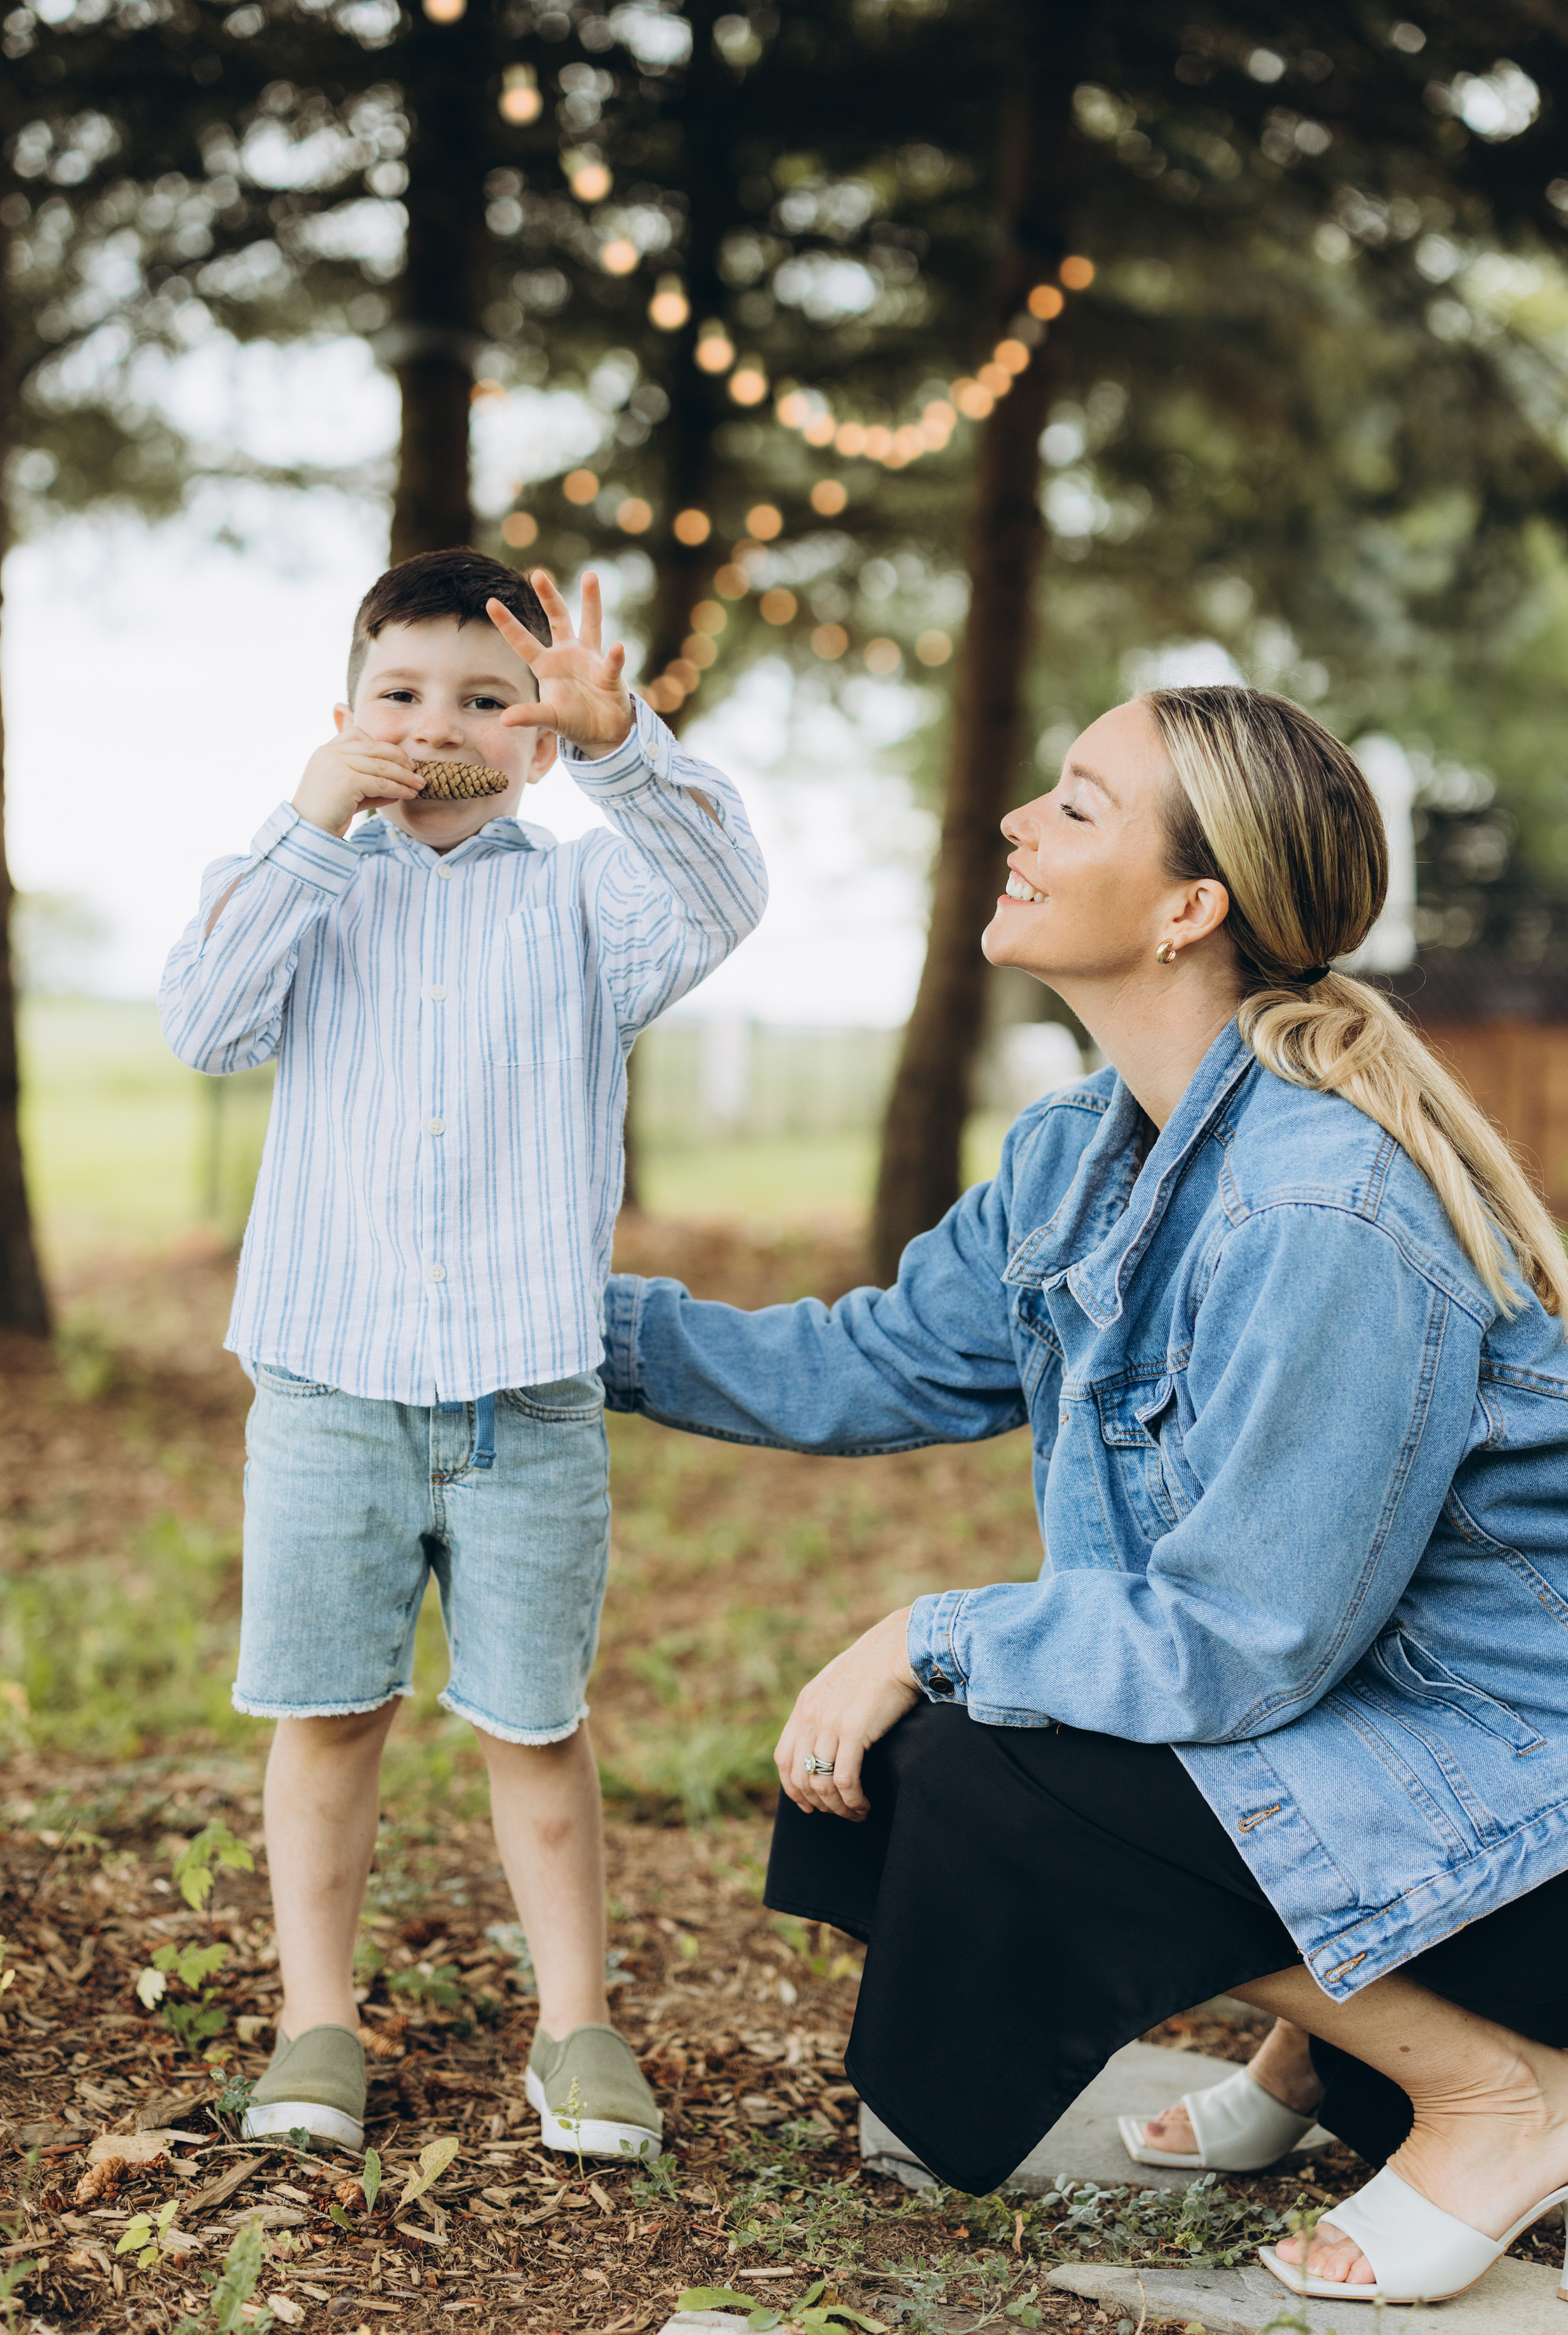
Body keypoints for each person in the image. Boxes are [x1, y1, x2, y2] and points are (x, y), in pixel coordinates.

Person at [600, 684, 1568, 2309]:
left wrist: (926, 1628)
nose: (1015, 825)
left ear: (1189, 908)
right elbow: (874, 1363)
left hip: (1524, 1821)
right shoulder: (1080, 1150)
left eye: (1074, 805)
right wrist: (564, 1328)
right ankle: (1318, 2059)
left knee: (975, 1765)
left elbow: (1248, 1640)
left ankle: (1495, 2094)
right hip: (1402, 1754)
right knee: (964, 1743)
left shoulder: (1319, 1205)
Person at [160, 549, 766, 2161]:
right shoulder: (295, 881)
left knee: (531, 1721)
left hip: (525, 1396)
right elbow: (207, 1026)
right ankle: (315, 2021)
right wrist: (306, 825)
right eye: (401, 696)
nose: (440, 727)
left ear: (536, 738)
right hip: (328, 1390)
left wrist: (626, 744)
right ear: (342, 719)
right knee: (329, 1713)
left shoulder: (585, 898)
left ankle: (576, 2026)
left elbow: (722, 896)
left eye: (487, 701)